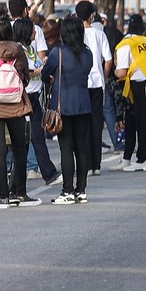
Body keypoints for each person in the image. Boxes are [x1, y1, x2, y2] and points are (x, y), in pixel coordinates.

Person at [0, 19, 39, 208]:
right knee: (20, 149)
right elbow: (26, 78)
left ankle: (3, 196)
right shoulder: (18, 51)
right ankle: (20, 193)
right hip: (16, 105)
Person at [41, 17, 93, 205]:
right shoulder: (88, 53)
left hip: (63, 106)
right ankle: (81, 190)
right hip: (84, 104)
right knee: (81, 149)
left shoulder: (58, 52)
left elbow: (46, 74)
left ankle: (67, 190)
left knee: (66, 148)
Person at [14, 18, 61, 187]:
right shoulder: (17, 49)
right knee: (24, 139)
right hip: (23, 97)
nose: (36, 32)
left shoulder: (30, 49)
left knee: (37, 136)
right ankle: (1, 174)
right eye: (33, 30)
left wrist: (43, 68)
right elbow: (23, 72)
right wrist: (40, 71)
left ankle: (49, 173)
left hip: (34, 96)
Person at [114, 14, 146, 171]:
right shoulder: (144, 41)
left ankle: (144, 159)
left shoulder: (124, 44)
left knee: (143, 123)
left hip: (139, 85)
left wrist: (112, 72)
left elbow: (121, 72)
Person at [75, 1, 112, 176]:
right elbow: (108, 59)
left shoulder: (75, 35)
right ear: (91, 16)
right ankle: (96, 165)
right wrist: (104, 76)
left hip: (81, 83)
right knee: (96, 123)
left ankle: (86, 164)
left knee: (82, 124)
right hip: (97, 83)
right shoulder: (99, 34)